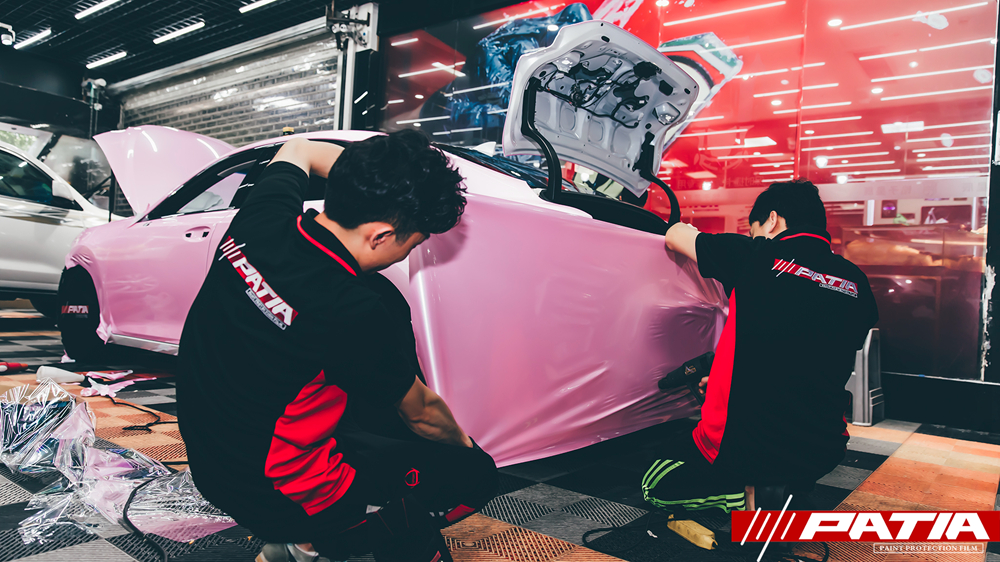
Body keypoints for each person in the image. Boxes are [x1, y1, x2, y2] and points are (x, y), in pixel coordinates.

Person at [176, 130, 498, 562]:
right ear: (382, 235)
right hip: (271, 486)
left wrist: (360, 176)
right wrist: (469, 450)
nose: (410, 252)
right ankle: (311, 538)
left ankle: (305, 540)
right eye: (415, 242)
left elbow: (300, 149)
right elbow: (422, 413)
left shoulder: (262, 217)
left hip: (205, 452)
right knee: (468, 478)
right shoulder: (353, 309)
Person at [642, 179, 878, 514]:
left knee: (655, 483)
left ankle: (747, 499)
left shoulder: (757, 255)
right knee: (785, 452)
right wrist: (725, 381)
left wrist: (694, 229)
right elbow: (804, 352)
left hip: (751, 446)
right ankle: (786, 488)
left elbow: (675, 235)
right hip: (825, 447)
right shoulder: (856, 282)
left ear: (772, 220)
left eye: (753, 230)